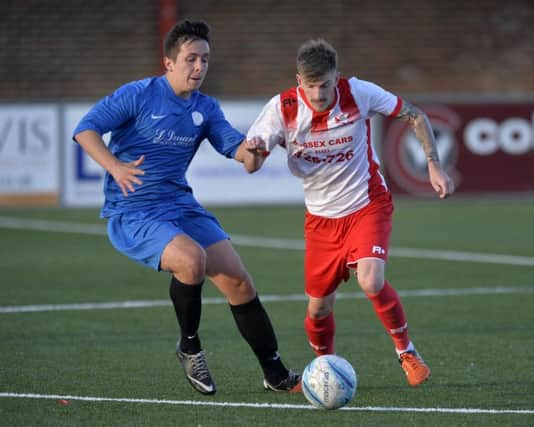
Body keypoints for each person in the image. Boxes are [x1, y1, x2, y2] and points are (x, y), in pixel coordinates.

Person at [72, 18, 301, 395]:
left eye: (205, 60)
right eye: (191, 59)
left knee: (239, 281)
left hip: (180, 205)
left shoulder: (205, 108)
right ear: (169, 63)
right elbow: (86, 128)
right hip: (135, 211)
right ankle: (189, 346)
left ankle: (274, 374)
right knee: (191, 260)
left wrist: (255, 152)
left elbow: (238, 150)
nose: (199, 67)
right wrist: (114, 166)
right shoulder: (138, 94)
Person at [245, 39, 455, 387]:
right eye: (310, 85)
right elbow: (251, 164)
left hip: (366, 204)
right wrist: (252, 152)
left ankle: (406, 352)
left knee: (370, 279)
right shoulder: (281, 108)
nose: (318, 93)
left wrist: (434, 166)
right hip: (321, 220)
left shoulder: (358, 93)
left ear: (336, 77)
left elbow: (414, 115)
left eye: (325, 84)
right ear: (299, 81)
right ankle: (325, 369)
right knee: (318, 309)